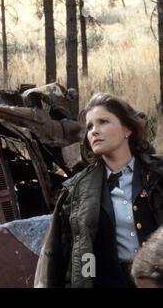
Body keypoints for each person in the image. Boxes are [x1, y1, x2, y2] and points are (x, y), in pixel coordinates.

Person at [34, 93, 163, 288]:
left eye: (103, 122)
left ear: (127, 128)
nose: (94, 131)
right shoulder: (76, 191)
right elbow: (53, 258)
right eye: (90, 127)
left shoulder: (158, 175)